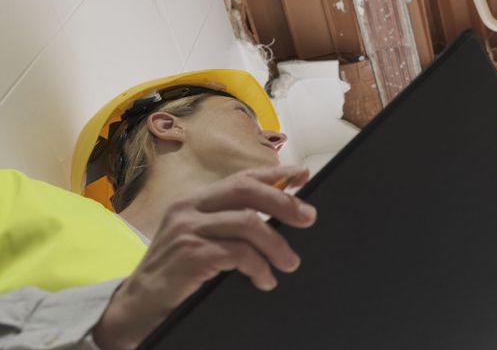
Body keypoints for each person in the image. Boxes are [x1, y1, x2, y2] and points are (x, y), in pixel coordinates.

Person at [0, 70, 317, 350]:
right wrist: (111, 326)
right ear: (167, 125)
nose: (279, 138)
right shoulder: (22, 198)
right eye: (244, 114)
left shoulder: (235, 308)